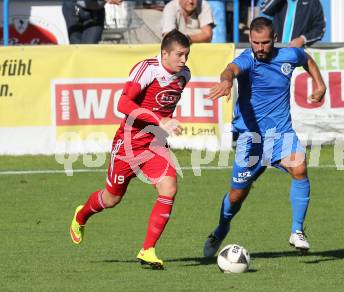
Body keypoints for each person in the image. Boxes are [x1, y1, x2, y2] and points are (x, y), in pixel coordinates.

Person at [203, 17, 326, 257]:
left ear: (275, 40)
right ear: (250, 39)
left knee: (300, 168)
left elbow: (307, 59)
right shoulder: (247, 60)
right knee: (237, 195)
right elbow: (230, 69)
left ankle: (297, 231)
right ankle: (220, 229)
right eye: (255, 42)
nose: (259, 48)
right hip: (251, 140)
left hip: (281, 133)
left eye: (265, 43)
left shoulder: (290, 55)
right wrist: (227, 81)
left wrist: (320, 85)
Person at [69, 29, 191, 270]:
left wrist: (163, 124)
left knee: (169, 187)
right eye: (179, 55)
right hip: (128, 143)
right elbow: (123, 104)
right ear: (164, 53)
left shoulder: (183, 75)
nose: (184, 60)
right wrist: (160, 120)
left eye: (186, 55)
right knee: (112, 198)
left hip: (154, 144)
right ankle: (81, 216)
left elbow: (163, 103)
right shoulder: (147, 69)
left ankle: (147, 250)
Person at [260, 0, 325, 47]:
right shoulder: (279, 2)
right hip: (276, 51)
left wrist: (303, 39)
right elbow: (264, 9)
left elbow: (320, 28)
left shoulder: (313, 2)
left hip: (298, 53)